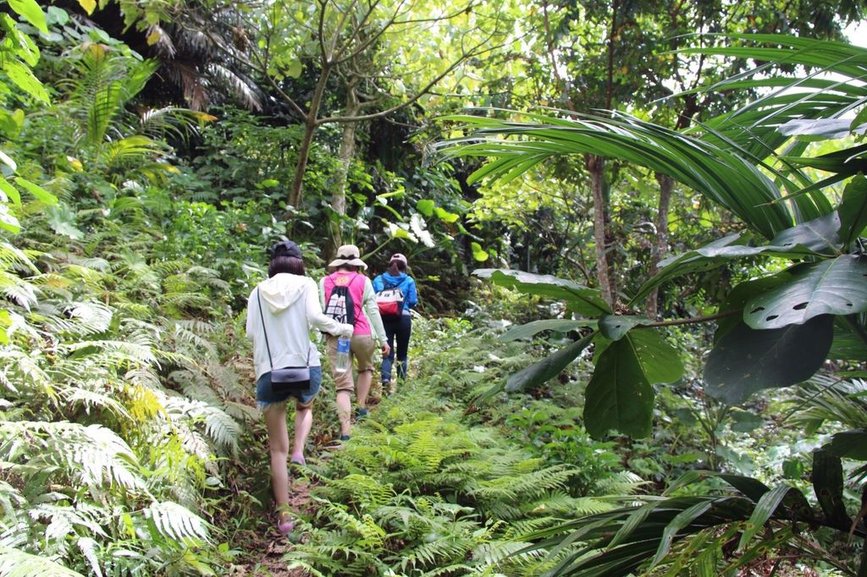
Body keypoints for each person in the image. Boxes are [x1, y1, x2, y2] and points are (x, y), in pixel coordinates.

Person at [245, 240, 354, 536]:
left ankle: (284, 517)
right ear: (298, 262)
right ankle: (299, 450)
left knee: (274, 450)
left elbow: (251, 332)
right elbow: (316, 319)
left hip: (269, 373)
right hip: (305, 368)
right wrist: (341, 328)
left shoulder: (257, 291)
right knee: (305, 407)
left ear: (273, 264)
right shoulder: (306, 284)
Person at [319, 244, 389, 441]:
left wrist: (322, 336)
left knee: (342, 387)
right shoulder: (363, 280)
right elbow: (373, 311)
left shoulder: (324, 281)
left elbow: (323, 311)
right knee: (366, 368)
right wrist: (383, 339)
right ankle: (361, 406)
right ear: (356, 262)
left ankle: (346, 432)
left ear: (338, 261)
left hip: (337, 337)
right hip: (361, 335)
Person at [372, 253, 418, 393]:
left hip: (384, 319)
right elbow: (413, 302)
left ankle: (386, 382)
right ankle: (402, 386)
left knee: (387, 352)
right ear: (404, 266)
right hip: (403, 319)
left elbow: (373, 300)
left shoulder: (378, 279)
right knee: (402, 354)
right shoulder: (409, 280)